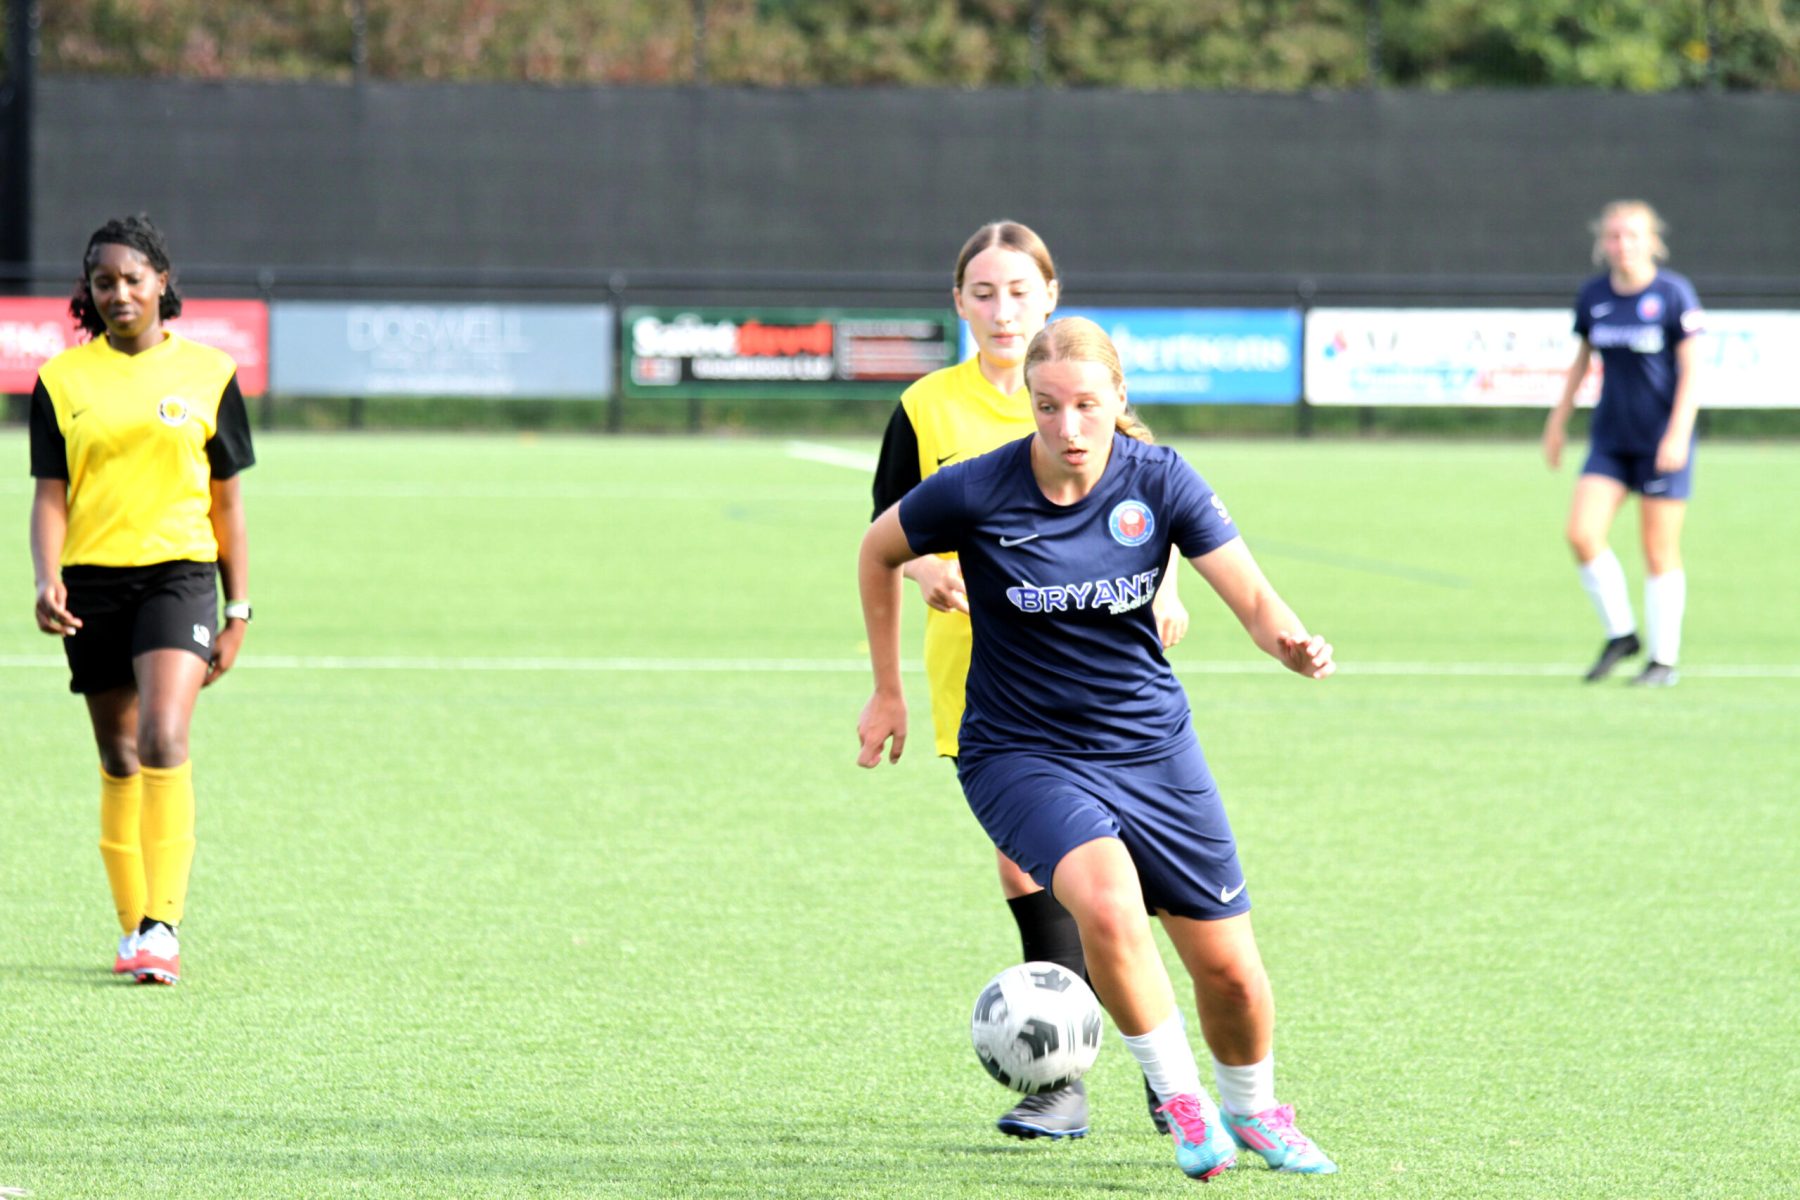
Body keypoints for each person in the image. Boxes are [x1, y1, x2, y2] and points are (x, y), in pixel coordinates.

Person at [857, 317, 1338, 1179]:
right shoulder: (977, 489)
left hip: (1152, 747)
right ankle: (1182, 1103)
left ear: (1120, 397)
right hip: (1020, 752)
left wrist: (1294, 645)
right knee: (1108, 906)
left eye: (1086, 405)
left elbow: (1257, 603)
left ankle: (1255, 1111)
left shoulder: (1161, 479)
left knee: (1231, 974)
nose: (1068, 427)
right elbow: (878, 547)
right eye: (1048, 407)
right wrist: (887, 688)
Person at [870, 221, 1188, 1140]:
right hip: (981, 675)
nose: (1002, 310)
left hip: (1098, 674)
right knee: (1028, 863)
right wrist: (926, 573)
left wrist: (1168, 589)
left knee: (1121, 879)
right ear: (957, 303)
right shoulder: (927, 407)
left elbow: (1155, 497)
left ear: (1051, 296)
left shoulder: (1077, 387)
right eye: (983, 292)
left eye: (1019, 291)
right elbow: (888, 531)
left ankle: (1161, 1071)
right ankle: (1062, 1080)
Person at [28, 214, 256, 985]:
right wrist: (46, 576)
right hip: (93, 583)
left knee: (163, 735)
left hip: (178, 576)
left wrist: (238, 609)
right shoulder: (61, 381)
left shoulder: (210, 374)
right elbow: (50, 495)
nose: (119, 293)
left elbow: (227, 504)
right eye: (104, 282)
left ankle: (163, 925)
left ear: (162, 281)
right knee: (118, 756)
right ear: (88, 292)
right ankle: (133, 930)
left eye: (133, 278)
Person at [1544, 199, 1704, 687]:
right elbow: (1583, 360)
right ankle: (1622, 634)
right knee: (1581, 533)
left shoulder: (1673, 294)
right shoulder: (1594, 295)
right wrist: (1558, 420)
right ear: (1602, 243)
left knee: (1658, 550)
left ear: (1652, 241)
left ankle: (1663, 661)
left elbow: (1693, 371)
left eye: (1632, 235)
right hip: (1611, 438)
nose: (1622, 244)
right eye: (1613, 236)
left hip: (1660, 440)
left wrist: (1678, 432)